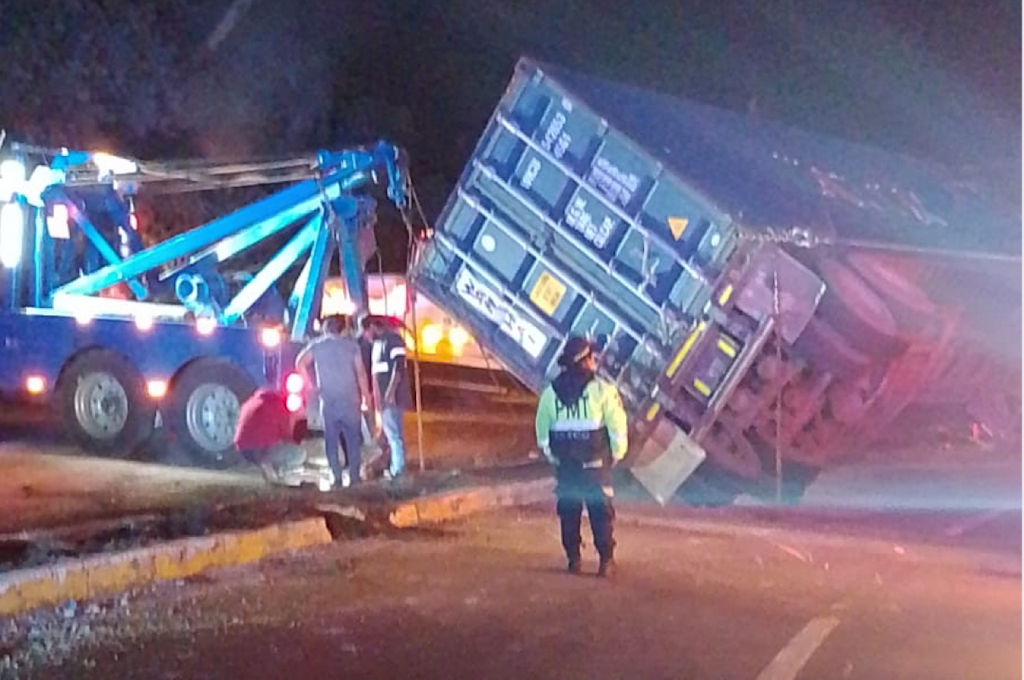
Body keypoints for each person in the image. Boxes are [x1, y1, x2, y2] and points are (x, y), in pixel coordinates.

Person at [535, 336, 628, 577]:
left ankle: (573, 560)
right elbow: (617, 425)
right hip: (595, 464)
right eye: (592, 358)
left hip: (566, 465)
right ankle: (606, 562)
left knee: (569, 511)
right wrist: (617, 453)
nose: (595, 362)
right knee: (601, 512)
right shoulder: (602, 391)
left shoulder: (550, 393)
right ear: (584, 361)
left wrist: (551, 455)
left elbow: (542, 431)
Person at [296, 316, 372, 488]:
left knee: (331, 441)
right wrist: (366, 396)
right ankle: (354, 477)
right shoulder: (352, 347)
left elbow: (300, 363)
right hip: (351, 400)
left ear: (325, 328)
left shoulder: (317, 345)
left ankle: (336, 477)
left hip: (328, 401)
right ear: (342, 329)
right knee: (353, 440)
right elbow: (360, 373)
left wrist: (311, 385)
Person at [364, 316, 411, 479]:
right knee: (390, 435)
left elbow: (399, 368)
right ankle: (394, 466)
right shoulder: (376, 345)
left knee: (394, 435)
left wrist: (390, 393)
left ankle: (398, 471)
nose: (365, 337)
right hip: (383, 401)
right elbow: (376, 376)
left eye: (366, 332)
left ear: (372, 327)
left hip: (392, 398)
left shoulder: (394, 340)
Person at [234, 387, 307, 483]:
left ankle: (268, 465)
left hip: (243, 449)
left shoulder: (250, 402)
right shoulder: (277, 405)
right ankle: (275, 469)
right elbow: (286, 434)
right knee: (299, 453)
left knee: (276, 444)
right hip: (260, 449)